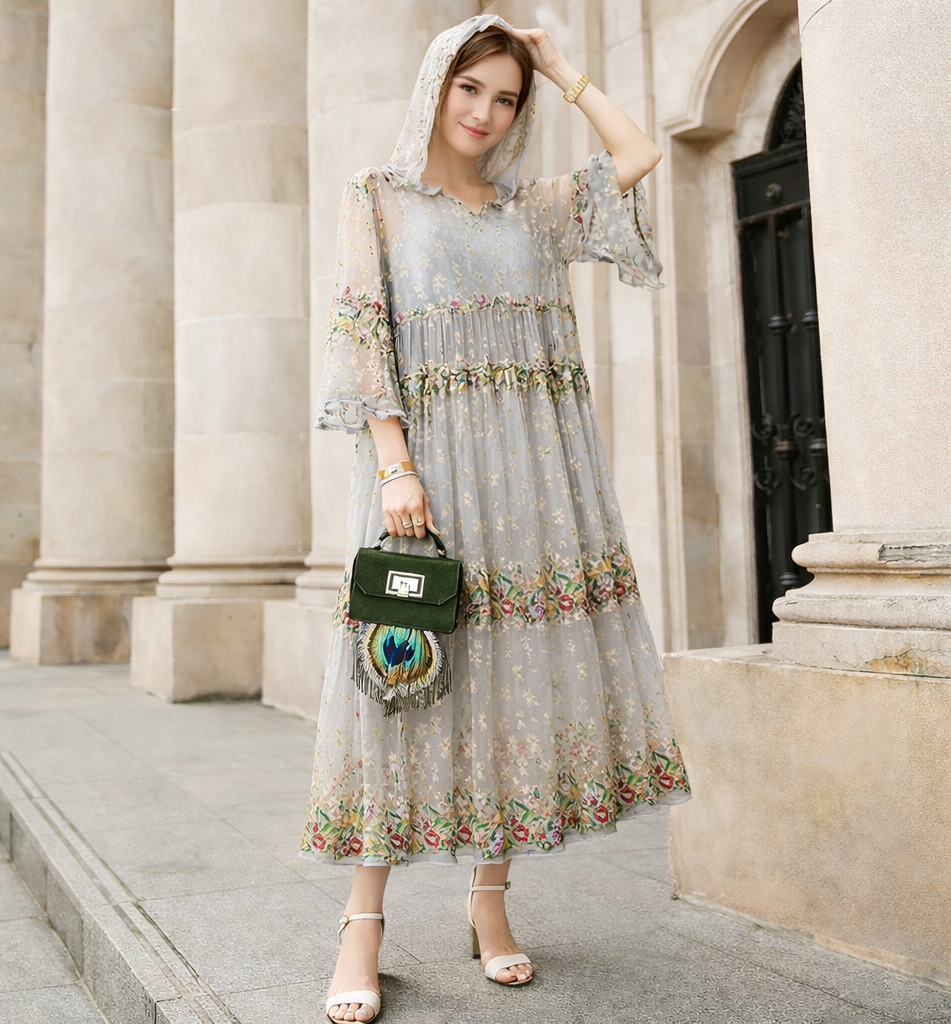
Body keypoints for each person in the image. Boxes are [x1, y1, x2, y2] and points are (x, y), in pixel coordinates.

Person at [301, 14, 691, 1023]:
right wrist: (395, 463)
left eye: (505, 97)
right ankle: (362, 926)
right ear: (437, 84)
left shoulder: (534, 211)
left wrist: (560, 68)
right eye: (469, 87)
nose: (484, 111)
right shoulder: (377, 199)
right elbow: (363, 331)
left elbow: (638, 153)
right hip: (425, 480)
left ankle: (489, 903)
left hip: (531, 483)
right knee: (399, 689)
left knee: (512, 686)